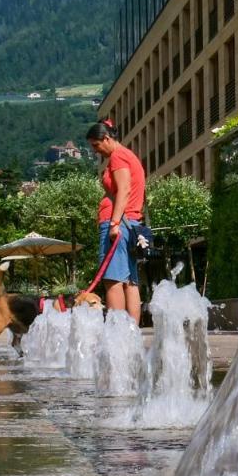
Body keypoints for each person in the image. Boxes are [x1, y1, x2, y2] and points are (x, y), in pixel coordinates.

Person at [85, 119, 145, 324]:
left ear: (107, 138)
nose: (95, 151)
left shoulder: (118, 156)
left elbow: (124, 190)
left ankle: (115, 334)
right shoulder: (128, 155)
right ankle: (130, 335)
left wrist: (114, 223)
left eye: (96, 145)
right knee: (130, 281)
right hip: (131, 223)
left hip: (119, 225)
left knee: (112, 279)